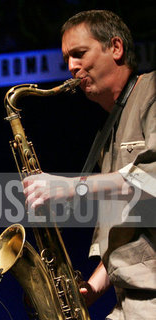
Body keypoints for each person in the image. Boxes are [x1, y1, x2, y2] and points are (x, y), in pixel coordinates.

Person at [22, 10, 155, 319]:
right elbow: (128, 232)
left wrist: (72, 186)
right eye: (67, 58)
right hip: (130, 301)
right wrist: (92, 289)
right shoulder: (108, 131)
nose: (71, 67)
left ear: (116, 48)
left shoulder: (151, 91)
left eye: (79, 53)